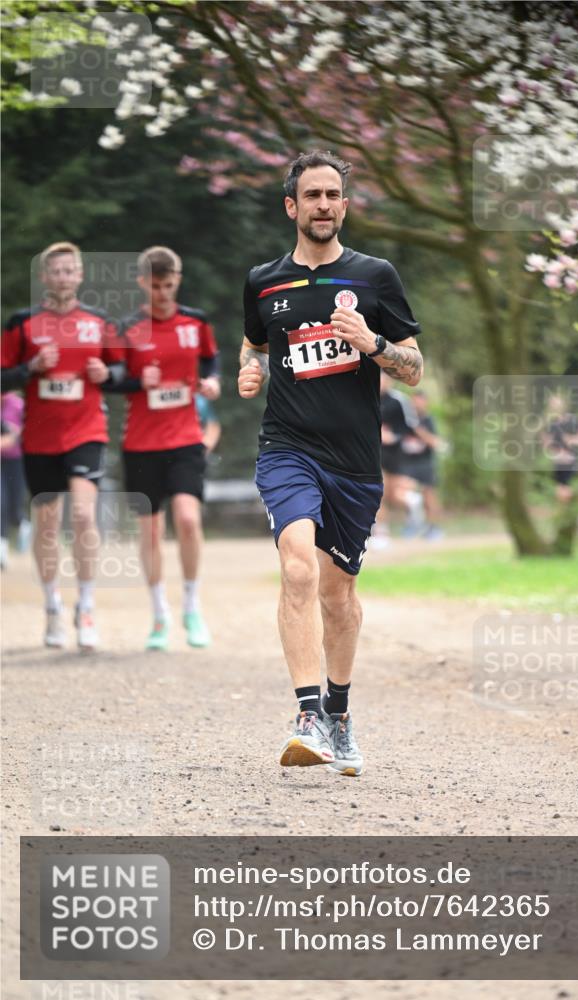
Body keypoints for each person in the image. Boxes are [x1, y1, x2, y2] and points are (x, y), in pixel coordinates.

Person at [238, 150, 422, 776]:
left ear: (344, 204)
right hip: (286, 448)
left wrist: (371, 343)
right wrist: (249, 367)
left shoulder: (375, 277)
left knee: (339, 595)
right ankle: (308, 714)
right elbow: (255, 339)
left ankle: (340, 716)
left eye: (332, 195)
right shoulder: (264, 280)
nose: (323, 205)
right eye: (311, 195)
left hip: (355, 461)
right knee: (297, 570)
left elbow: (415, 368)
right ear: (292, 206)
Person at [0, 242, 119, 648]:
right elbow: (3, 376)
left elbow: (120, 371)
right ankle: (51, 605)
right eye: (57, 271)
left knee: (84, 516)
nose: (64, 277)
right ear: (44, 277)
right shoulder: (22, 323)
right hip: (40, 437)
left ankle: (85, 606)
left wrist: (107, 372)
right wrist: (29, 369)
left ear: (80, 276)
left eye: (71, 271)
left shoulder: (99, 322)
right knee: (47, 525)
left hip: (86, 432)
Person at [110, 246, 220, 651]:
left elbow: (211, 361)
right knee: (151, 529)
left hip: (186, 437)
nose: (162, 294)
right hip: (140, 443)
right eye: (155, 286)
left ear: (178, 280)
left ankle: (192, 605)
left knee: (188, 520)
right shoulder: (126, 328)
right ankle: (159, 614)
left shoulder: (196, 322)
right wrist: (140, 381)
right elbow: (110, 379)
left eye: (169, 285)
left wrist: (212, 382)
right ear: (142, 283)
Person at [374, 372, 424, 544]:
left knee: (394, 496)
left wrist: (392, 437)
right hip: (374, 453)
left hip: (396, 453)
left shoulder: (399, 401)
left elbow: (410, 428)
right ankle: (381, 533)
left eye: (383, 379)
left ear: (390, 381)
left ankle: (413, 504)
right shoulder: (367, 398)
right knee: (378, 493)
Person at [399, 389, 445, 540]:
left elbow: (435, 442)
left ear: (425, 403)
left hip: (425, 463)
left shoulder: (428, 420)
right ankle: (412, 525)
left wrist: (418, 430)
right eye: (414, 401)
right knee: (407, 495)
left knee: (429, 496)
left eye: (419, 401)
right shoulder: (404, 420)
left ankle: (434, 528)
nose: (416, 404)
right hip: (407, 463)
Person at [1, 392, 31, 569]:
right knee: (0, 504)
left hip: (16, 461)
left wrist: (10, 438)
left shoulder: (18, 405)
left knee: (13, 508)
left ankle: (23, 525)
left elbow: (24, 433)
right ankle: (2, 552)